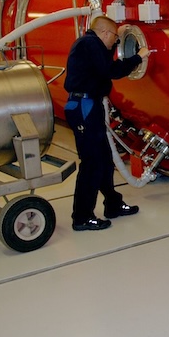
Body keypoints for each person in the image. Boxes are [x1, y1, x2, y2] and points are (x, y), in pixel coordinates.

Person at [64, 15, 150, 231]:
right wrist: (138, 58)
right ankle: (82, 217)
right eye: (114, 38)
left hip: (89, 105)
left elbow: (102, 63)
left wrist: (118, 35)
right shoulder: (89, 44)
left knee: (103, 160)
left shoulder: (90, 44)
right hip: (84, 107)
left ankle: (113, 204)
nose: (115, 43)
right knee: (92, 163)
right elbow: (110, 70)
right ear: (104, 33)